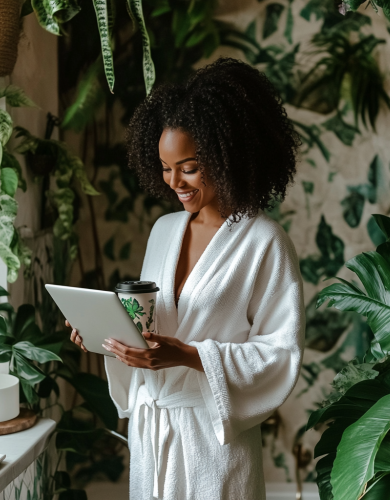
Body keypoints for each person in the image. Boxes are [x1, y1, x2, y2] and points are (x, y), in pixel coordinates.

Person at [69, 57, 305, 500]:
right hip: (153, 432)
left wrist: (189, 355)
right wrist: (109, 336)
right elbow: (152, 331)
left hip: (213, 441)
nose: (173, 181)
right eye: (164, 166)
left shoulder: (265, 242)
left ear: (227, 154)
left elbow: (280, 354)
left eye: (189, 166)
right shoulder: (164, 232)